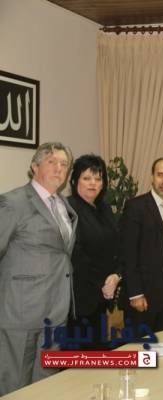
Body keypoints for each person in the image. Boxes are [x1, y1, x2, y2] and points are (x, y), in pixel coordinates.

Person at [0, 142, 77, 395]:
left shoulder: (64, 205)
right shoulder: (13, 202)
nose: (59, 169)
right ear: (35, 167)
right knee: (15, 388)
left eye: (64, 164)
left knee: (47, 387)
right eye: (52, 162)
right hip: (20, 313)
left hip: (55, 313)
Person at [120, 157, 163, 333]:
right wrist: (136, 293)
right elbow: (128, 253)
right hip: (143, 299)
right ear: (152, 177)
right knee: (141, 348)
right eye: (160, 175)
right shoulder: (135, 207)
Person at [67, 154, 120, 349]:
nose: (93, 183)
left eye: (98, 179)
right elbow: (76, 253)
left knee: (97, 354)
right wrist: (103, 282)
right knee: (79, 359)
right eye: (86, 178)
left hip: (102, 297)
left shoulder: (105, 209)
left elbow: (117, 247)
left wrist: (116, 276)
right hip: (78, 299)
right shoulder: (68, 208)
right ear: (75, 181)